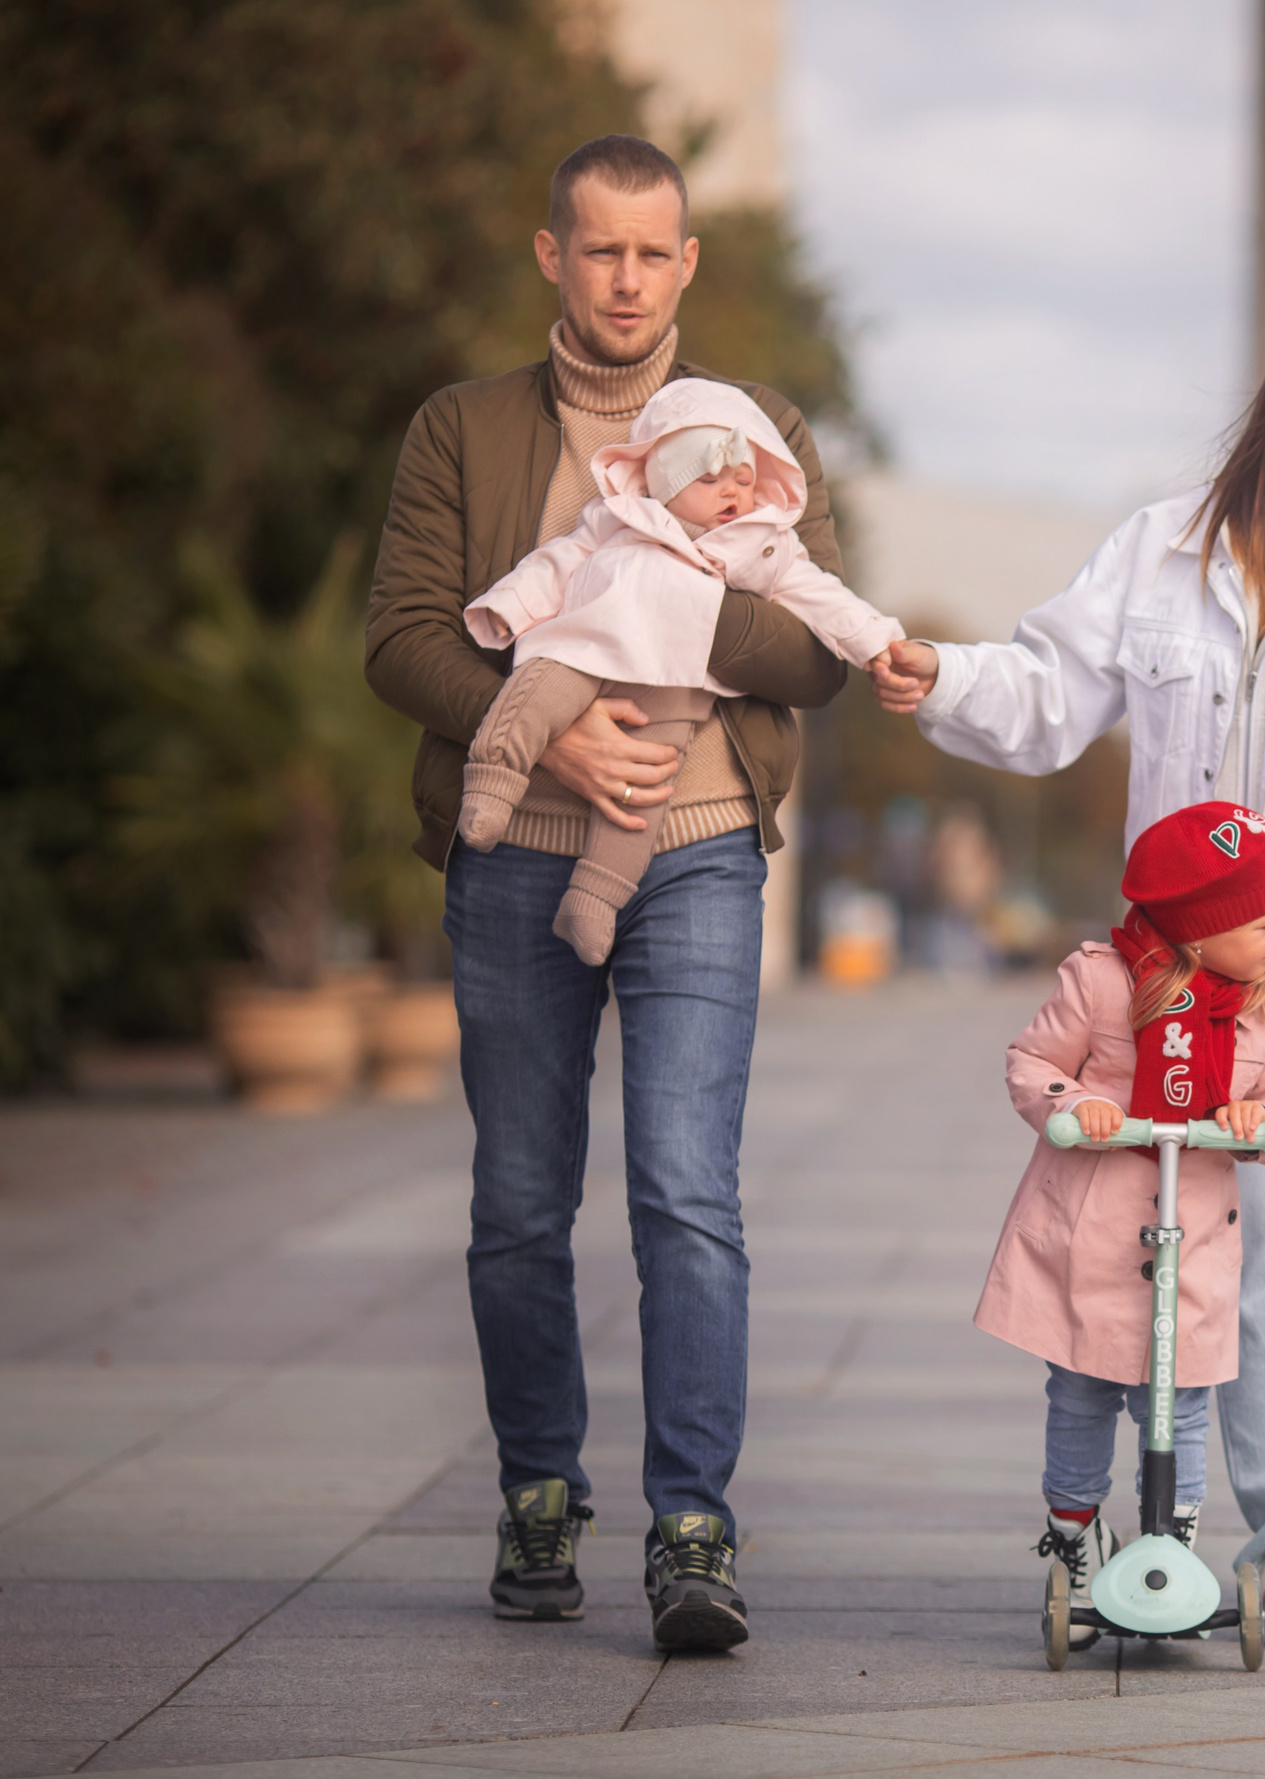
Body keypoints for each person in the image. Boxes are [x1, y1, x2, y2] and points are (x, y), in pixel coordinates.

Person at [872, 297, 1265, 1653]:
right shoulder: (1166, 549)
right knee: (1258, 1234)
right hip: (1201, 964)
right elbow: (1049, 691)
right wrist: (940, 678)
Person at [365, 135, 849, 1651]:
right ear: (552, 256)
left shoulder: (755, 428)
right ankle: (537, 1491)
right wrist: (558, 716)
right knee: (519, 1197)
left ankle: (692, 1526)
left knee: (684, 1190)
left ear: (687, 263)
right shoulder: (462, 428)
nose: (627, 278)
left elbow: (815, 651)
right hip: (513, 854)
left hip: (695, 843)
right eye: (600, 249)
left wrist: (675, 596)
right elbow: (402, 641)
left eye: (655, 251)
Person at [984, 804, 1265, 1649]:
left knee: (1186, 1401)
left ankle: (1172, 1545)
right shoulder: (1099, 981)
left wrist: (1259, 1120)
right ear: (1204, 928)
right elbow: (1033, 1061)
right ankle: (1077, 1539)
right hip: (1095, 1236)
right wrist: (1077, 1103)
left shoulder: (1260, 1011)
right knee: (1082, 1392)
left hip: (1191, 1242)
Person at [456, 377, 905, 962]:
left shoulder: (762, 544)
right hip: (591, 641)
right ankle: (491, 783)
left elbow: (824, 597)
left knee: (645, 790)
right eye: (710, 479)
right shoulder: (621, 518)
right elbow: (555, 563)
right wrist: (507, 608)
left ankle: (595, 897)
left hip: (674, 686)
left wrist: (879, 643)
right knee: (535, 692)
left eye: (743, 481)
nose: (732, 494)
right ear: (666, 486)